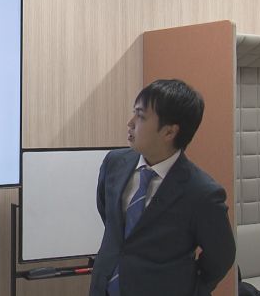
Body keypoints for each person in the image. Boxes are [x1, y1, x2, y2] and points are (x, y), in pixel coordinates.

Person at [90, 79, 235, 296]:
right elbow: (111, 220)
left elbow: (221, 256)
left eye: (140, 116)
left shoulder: (202, 193)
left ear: (169, 132)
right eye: (134, 113)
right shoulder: (114, 163)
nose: (130, 123)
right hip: (104, 287)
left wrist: (191, 288)